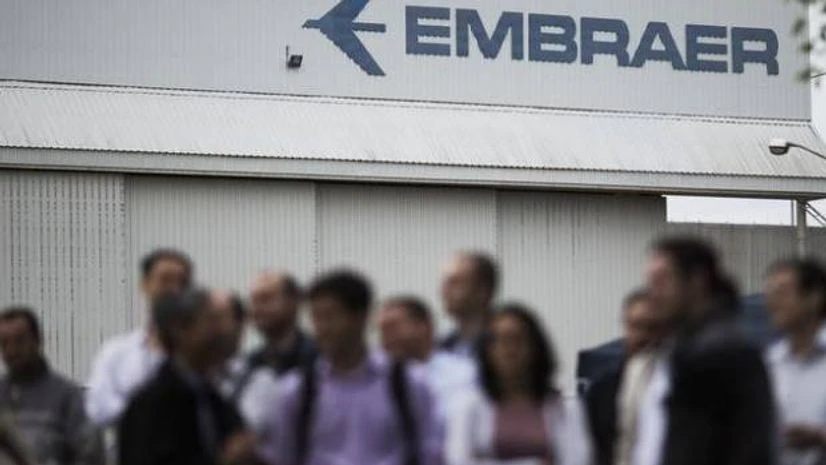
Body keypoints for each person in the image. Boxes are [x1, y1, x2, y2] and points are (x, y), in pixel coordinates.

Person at [264, 270, 443, 465]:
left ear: (360, 317)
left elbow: (430, 451)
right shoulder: (298, 391)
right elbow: (283, 456)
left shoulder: (407, 383)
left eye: (330, 316)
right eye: (316, 318)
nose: (321, 328)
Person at [640, 236, 775, 465]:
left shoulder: (725, 353)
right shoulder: (677, 348)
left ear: (697, 280)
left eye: (662, 281)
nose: (653, 294)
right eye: (650, 283)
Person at [118, 289, 256, 465]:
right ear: (181, 330)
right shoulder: (150, 405)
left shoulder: (213, 398)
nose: (220, 331)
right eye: (211, 321)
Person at [446, 304, 591, 465]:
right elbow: (457, 460)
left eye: (516, 339)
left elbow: (577, 460)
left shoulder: (565, 406)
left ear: (535, 347)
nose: (508, 350)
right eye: (499, 341)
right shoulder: (468, 404)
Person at [86, 248, 193, 426]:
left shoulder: (204, 352)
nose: (174, 289)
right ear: (145, 284)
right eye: (165, 280)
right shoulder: (115, 353)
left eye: (182, 282)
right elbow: (98, 409)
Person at [0, 307, 103, 465]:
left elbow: (90, 456)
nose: (11, 350)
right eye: (4, 343)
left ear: (37, 341)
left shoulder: (68, 398)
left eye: (19, 341)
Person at [585, 290, 664, 465]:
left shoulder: (676, 386)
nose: (642, 336)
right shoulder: (601, 391)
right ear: (625, 326)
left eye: (651, 327)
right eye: (636, 326)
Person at [765, 258, 826, 465]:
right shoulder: (771, 363)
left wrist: (820, 438)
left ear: (814, 298)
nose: (772, 303)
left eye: (781, 293)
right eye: (770, 294)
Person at [379, 296, 476, 417]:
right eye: (382, 330)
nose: (387, 337)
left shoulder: (464, 373)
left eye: (393, 327)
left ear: (424, 326)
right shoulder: (377, 381)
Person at [246, 272, 315, 376]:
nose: (258, 308)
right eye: (254, 301)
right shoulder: (250, 364)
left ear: (292, 303)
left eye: (266, 299)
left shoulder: (317, 359)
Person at [440, 252, 498, 357]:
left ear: (483, 291)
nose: (444, 291)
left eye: (456, 283)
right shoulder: (444, 347)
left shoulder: (502, 345)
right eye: (445, 283)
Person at [211, 289, 248, 399]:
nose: (211, 326)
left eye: (218, 318)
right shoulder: (193, 379)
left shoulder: (259, 380)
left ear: (239, 324)